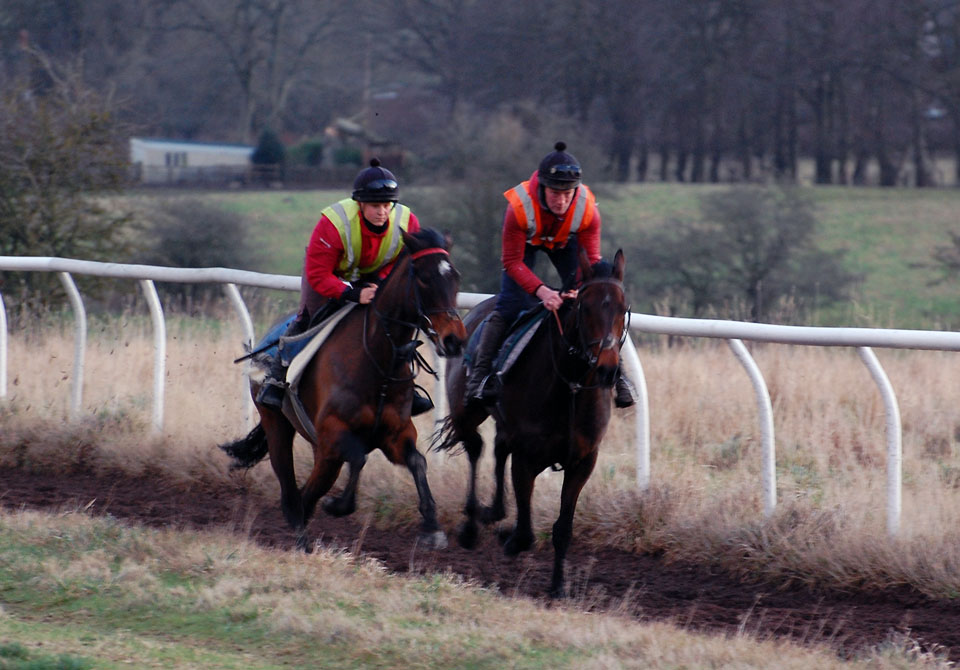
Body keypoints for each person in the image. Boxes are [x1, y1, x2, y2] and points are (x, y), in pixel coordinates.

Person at [464, 141, 636, 409]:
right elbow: (512, 261)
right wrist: (543, 291)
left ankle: (619, 376)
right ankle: (479, 377)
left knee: (599, 300)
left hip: (565, 242)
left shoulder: (588, 209)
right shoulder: (518, 209)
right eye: (555, 193)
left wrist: (580, 290)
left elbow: (590, 261)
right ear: (541, 187)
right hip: (526, 244)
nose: (562, 200)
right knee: (510, 305)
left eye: (568, 193)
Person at [257, 158, 434, 415]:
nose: (382, 211)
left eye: (387, 205)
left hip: (372, 274)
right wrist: (351, 293)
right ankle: (276, 378)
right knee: (307, 318)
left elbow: (402, 262)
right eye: (375, 206)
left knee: (396, 322)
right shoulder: (333, 223)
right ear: (359, 204)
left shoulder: (408, 222)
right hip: (328, 274)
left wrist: (381, 285)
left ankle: (407, 387)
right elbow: (318, 274)